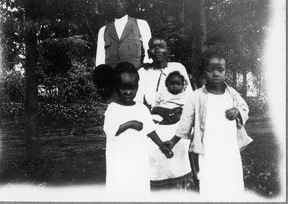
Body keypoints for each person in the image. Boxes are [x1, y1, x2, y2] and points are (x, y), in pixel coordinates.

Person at [165, 51, 253, 200]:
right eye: (210, 70)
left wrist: (237, 111)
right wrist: (172, 141)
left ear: (226, 71)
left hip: (229, 149)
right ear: (203, 72)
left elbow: (245, 108)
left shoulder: (232, 94)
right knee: (211, 183)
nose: (216, 73)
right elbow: (185, 123)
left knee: (232, 183)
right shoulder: (196, 97)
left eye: (220, 70)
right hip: (208, 150)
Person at [103, 62, 173, 196]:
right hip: (119, 159)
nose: (128, 92)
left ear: (137, 87)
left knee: (138, 186)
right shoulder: (113, 108)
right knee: (120, 187)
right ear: (116, 88)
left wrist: (161, 145)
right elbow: (110, 131)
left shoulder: (141, 108)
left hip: (137, 157)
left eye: (132, 88)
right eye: (123, 88)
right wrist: (130, 124)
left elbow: (150, 129)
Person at [135, 36, 194, 189]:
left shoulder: (178, 67)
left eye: (161, 46)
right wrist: (157, 114)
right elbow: (139, 102)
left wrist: (179, 113)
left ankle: (181, 186)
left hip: (179, 117)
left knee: (180, 140)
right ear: (149, 52)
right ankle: (158, 186)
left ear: (167, 50)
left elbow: (189, 97)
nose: (158, 50)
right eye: (153, 47)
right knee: (152, 143)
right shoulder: (143, 72)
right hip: (154, 118)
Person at [95, 0, 152, 69]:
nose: (118, 4)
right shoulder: (103, 30)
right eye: (114, 1)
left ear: (127, 4)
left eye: (121, 0)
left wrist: (145, 74)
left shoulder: (141, 24)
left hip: (135, 78)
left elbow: (149, 54)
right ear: (110, 4)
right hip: (111, 79)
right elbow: (100, 60)